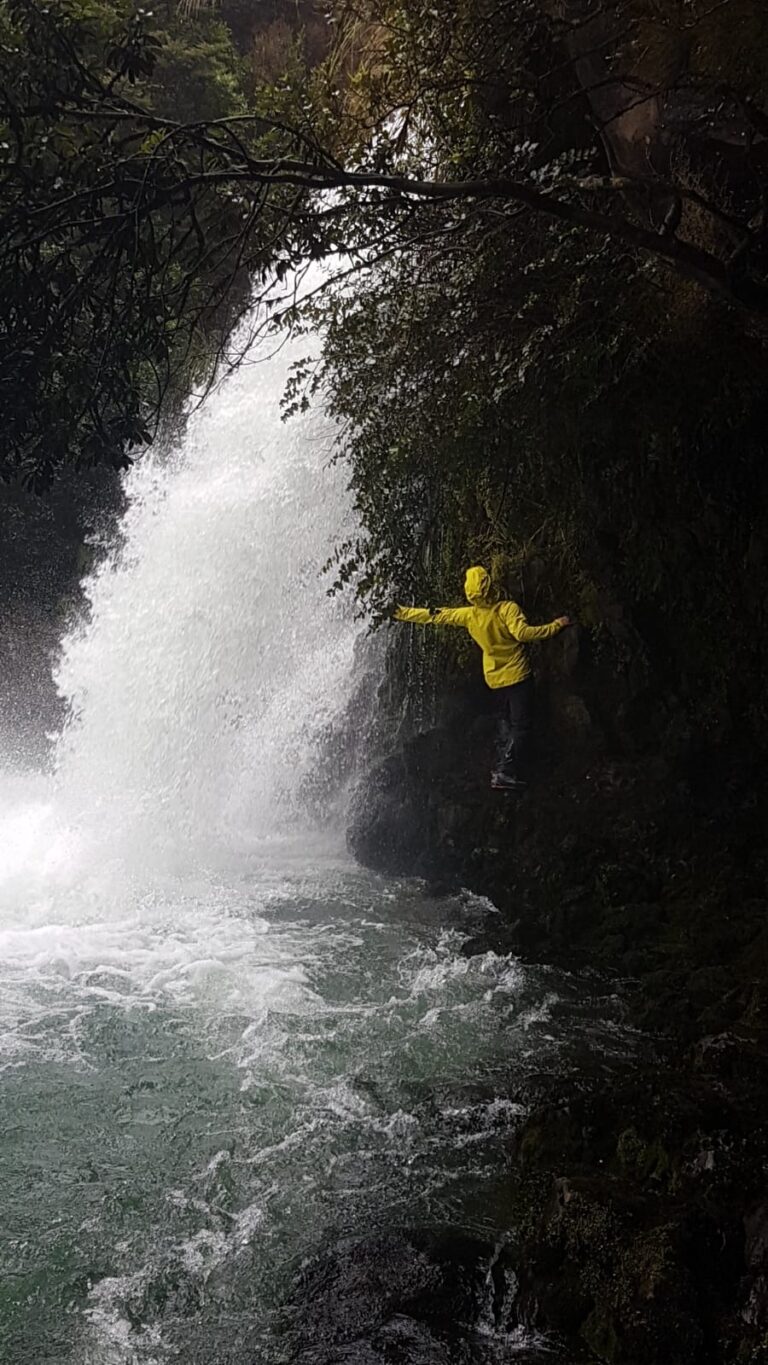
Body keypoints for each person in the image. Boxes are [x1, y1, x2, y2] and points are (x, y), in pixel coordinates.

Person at [394, 565, 571, 792]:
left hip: (494, 680)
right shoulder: (507, 609)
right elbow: (522, 634)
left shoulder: (469, 615)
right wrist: (556, 625)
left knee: (506, 721)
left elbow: (434, 615)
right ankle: (505, 771)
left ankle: (503, 766)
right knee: (523, 725)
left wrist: (399, 612)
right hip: (517, 676)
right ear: (490, 584)